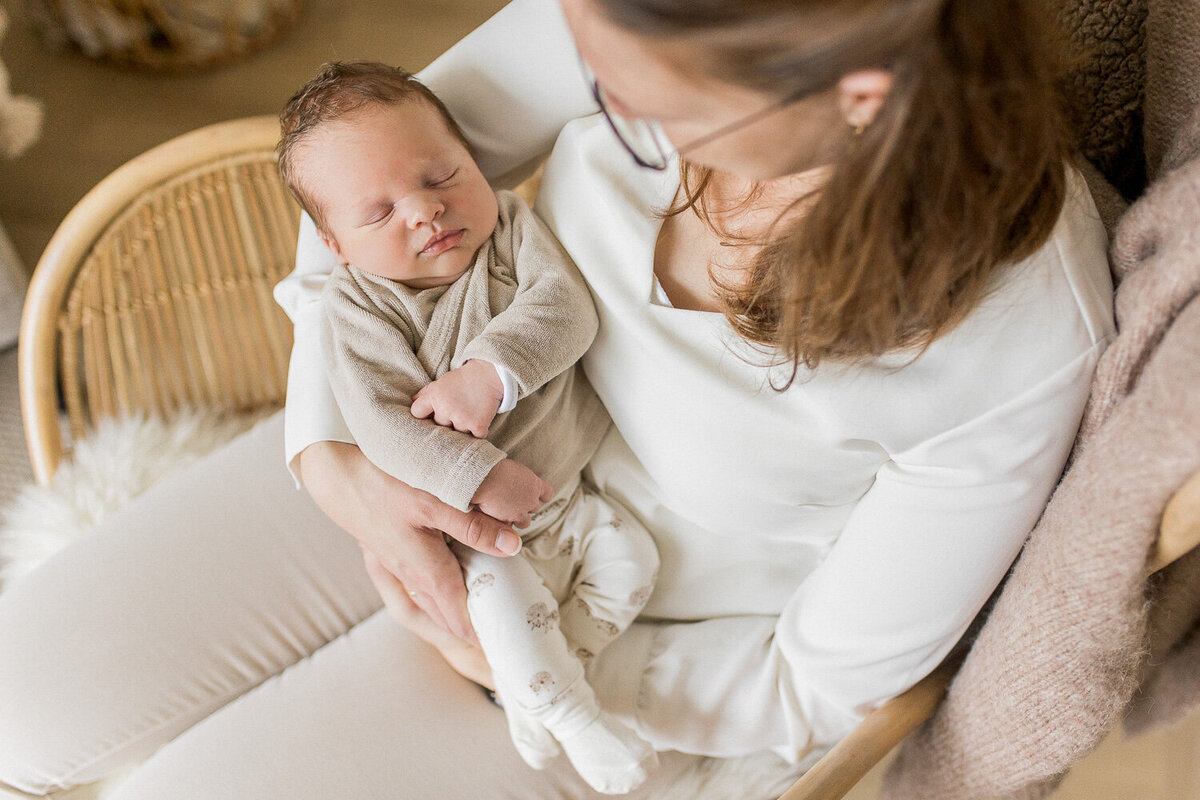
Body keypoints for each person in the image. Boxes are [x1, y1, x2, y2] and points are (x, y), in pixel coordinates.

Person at [0, 0, 1115, 798]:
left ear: (853, 98)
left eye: (642, 104)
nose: (595, 85)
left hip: (620, 638)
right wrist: (333, 457)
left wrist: (534, 662)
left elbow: (815, 681)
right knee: (23, 694)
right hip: (420, 438)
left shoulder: (1021, 335)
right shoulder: (633, 20)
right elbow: (360, 169)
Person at [279, 61, 660, 793]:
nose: (426, 211)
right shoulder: (355, 311)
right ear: (336, 248)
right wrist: (478, 476)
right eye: (380, 212)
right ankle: (578, 723)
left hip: (567, 496)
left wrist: (490, 373)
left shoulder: (512, 228)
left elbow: (567, 309)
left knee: (633, 562)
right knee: (513, 615)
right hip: (470, 529)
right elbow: (385, 429)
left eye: (441, 175)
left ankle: (542, 685)